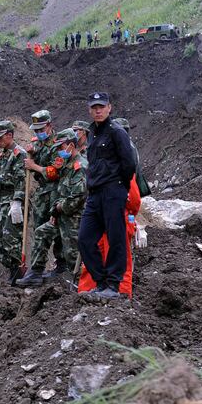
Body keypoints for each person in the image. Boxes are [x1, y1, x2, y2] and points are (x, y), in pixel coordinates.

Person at [77, 92, 137, 299]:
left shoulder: (116, 132)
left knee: (116, 238)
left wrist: (119, 186)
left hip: (113, 191)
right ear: (89, 109)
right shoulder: (92, 133)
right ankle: (101, 282)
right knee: (85, 238)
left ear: (109, 108)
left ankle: (113, 285)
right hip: (94, 194)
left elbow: (129, 163)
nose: (98, 110)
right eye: (94, 107)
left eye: (101, 106)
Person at [17, 129, 87, 286]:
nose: (59, 151)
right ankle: (35, 273)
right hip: (61, 214)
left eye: (61, 147)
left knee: (72, 253)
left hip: (74, 218)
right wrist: (55, 212)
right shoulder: (66, 165)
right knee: (42, 232)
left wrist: (59, 208)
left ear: (70, 145)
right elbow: (60, 187)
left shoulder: (80, 167)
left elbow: (78, 197)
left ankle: (80, 284)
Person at [21, 110, 63, 277]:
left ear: (49, 126)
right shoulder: (37, 143)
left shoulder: (60, 144)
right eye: (36, 130)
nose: (38, 133)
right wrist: (32, 154)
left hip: (56, 191)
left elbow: (56, 171)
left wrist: (34, 166)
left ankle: (61, 266)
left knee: (56, 229)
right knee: (39, 229)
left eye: (41, 129)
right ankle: (37, 268)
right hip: (42, 191)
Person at [0, 120, 28, 285]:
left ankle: (19, 278)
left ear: (10, 135)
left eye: (1, 137)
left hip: (14, 204)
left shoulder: (19, 154)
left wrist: (18, 201)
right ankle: (14, 273)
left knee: (12, 242)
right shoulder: (4, 154)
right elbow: (0, 181)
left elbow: (21, 179)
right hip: (4, 203)